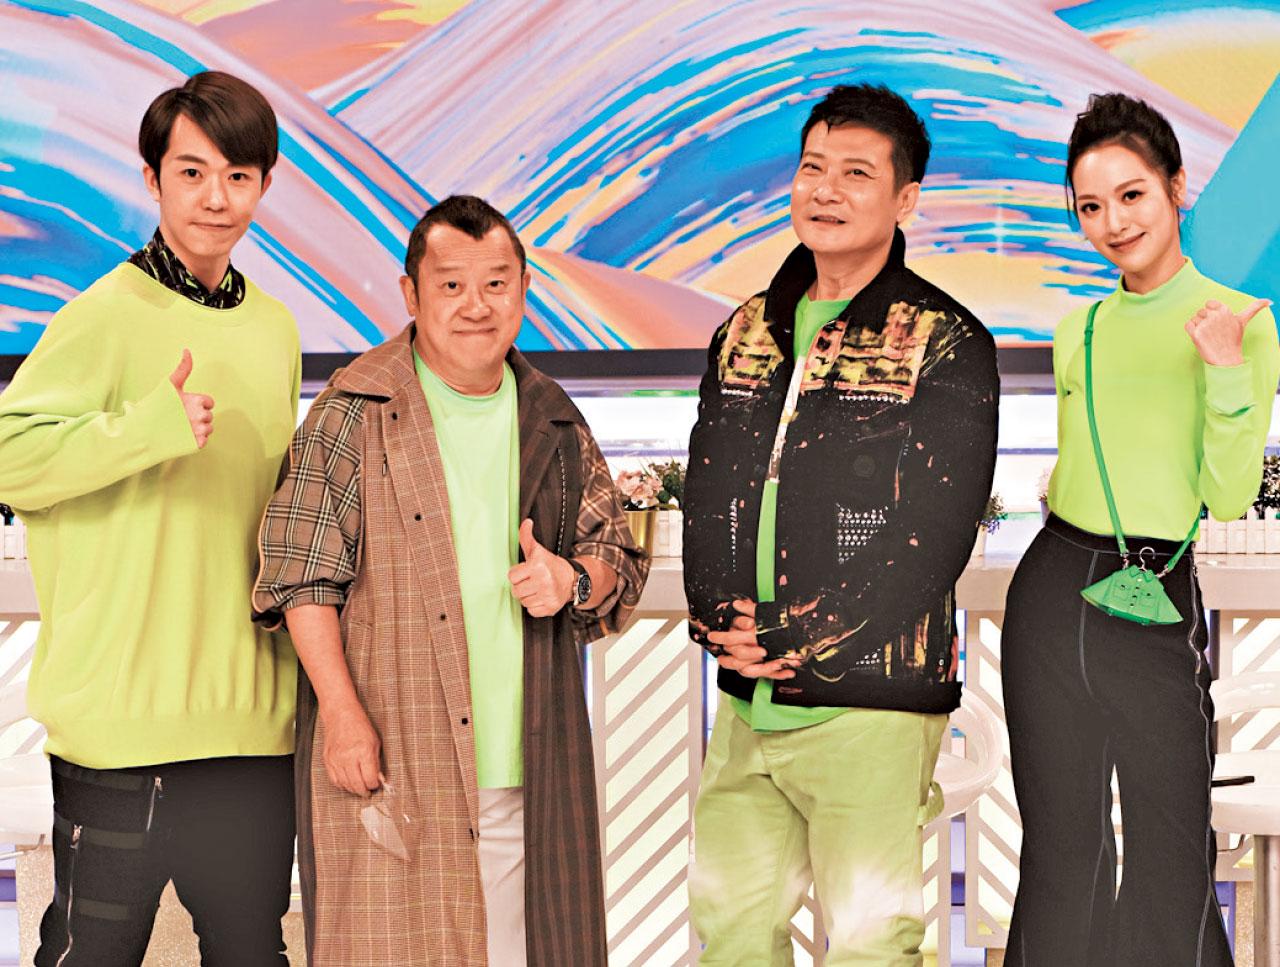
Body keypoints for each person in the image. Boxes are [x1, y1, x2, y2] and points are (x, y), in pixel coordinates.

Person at [253, 194, 648, 966]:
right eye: (452, 285)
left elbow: (616, 560)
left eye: (496, 284)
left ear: (523, 290)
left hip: (529, 769)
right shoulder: (354, 409)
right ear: (411, 294)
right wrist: (341, 714)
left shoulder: (553, 416)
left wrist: (572, 578)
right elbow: (301, 575)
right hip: (397, 763)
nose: (477, 306)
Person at [682, 83, 999, 965]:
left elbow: (933, 534)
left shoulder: (943, 339)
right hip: (747, 702)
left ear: (905, 199)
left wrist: (793, 635)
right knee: (731, 936)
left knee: (870, 944)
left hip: (873, 702)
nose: (825, 189)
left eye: (856, 173)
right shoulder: (745, 330)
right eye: (813, 167)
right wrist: (722, 624)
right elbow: (707, 491)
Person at [0, 71, 300, 965]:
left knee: (251, 952)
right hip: (120, 728)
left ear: (265, 184)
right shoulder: (104, 313)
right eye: (192, 173)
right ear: (152, 179)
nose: (216, 197)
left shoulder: (276, 328)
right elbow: (10, 454)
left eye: (238, 176)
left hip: (249, 725)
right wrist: (144, 431)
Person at [1002, 92, 1280, 966]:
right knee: (1061, 849)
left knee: (1172, 850)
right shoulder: (1077, 330)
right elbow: (1081, 463)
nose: (1113, 223)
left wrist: (1223, 370)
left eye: (1132, 195)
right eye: (1091, 206)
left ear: (1175, 187)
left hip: (1155, 590)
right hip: (1052, 590)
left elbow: (1227, 496)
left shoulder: (1243, 321)